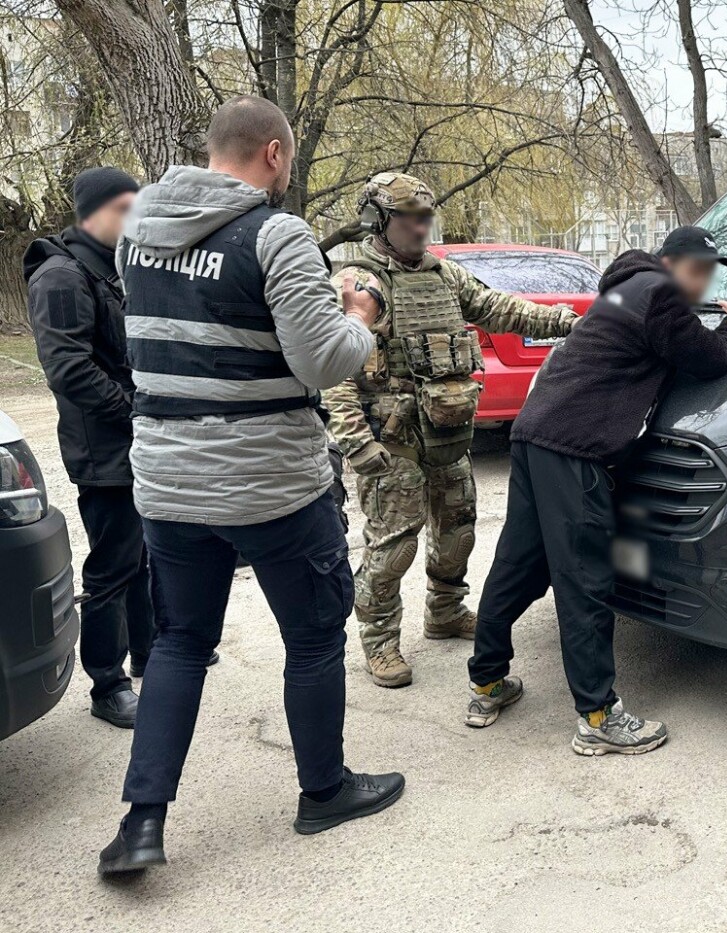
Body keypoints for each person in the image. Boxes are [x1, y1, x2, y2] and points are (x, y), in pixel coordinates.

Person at [98, 96, 403, 878]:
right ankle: (324, 790)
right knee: (313, 634)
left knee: (179, 641)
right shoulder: (275, 233)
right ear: (273, 153)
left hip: (169, 480)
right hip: (270, 484)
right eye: (288, 158)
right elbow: (321, 361)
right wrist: (359, 316)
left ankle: (141, 822)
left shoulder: (140, 230)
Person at [465, 226, 727, 755]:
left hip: (535, 434)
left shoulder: (624, 289)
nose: (703, 282)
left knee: (519, 562)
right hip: (574, 448)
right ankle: (598, 716)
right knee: (585, 579)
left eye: (709, 273)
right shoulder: (660, 292)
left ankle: (487, 683)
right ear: (672, 262)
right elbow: (708, 358)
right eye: (698, 269)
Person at [323, 172, 578, 689]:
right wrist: (356, 441)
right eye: (408, 220)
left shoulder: (444, 275)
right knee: (393, 546)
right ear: (379, 221)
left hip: (447, 432)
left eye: (426, 218)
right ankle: (379, 642)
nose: (421, 228)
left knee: (458, 532)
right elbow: (333, 370)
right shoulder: (357, 284)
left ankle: (444, 611)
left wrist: (564, 321)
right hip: (391, 441)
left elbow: (499, 308)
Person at [24, 167, 216, 728]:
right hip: (103, 449)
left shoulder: (112, 266)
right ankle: (107, 685)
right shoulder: (60, 276)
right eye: (124, 209)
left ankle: (149, 653)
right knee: (112, 567)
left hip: (135, 440)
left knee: (145, 554)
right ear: (94, 212)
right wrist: (137, 408)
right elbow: (68, 369)